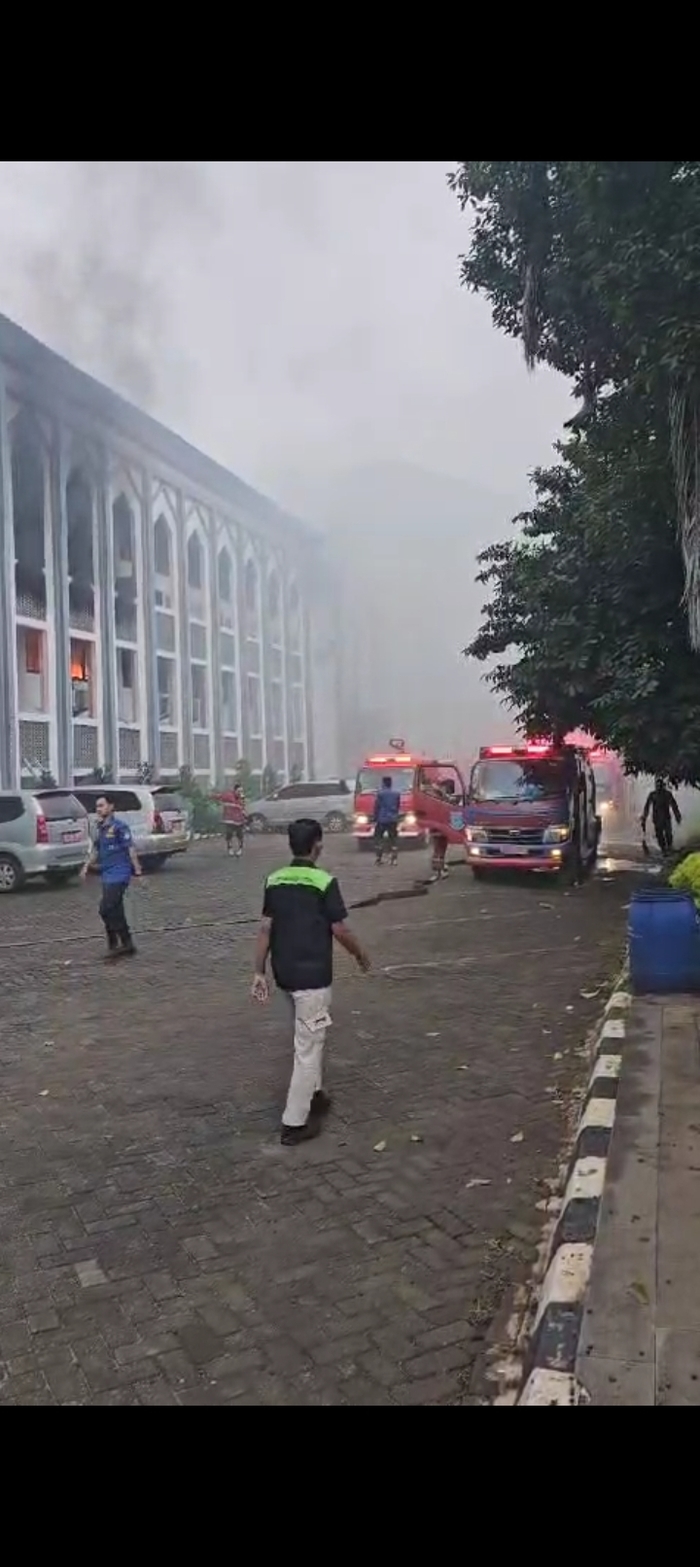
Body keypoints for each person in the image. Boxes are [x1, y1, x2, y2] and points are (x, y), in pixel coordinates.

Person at [251, 817, 371, 1145]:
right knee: (308, 1047)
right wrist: (359, 954)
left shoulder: (274, 880)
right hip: (313, 979)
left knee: (308, 1035)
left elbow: (265, 929)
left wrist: (259, 972)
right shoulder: (324, 881)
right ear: (317, 844)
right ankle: (294, 1123)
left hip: (286, 976)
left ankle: (315, 1095)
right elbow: (340, 929)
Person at [81, 794, 142, 958]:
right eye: (97, 807)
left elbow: (130, 849)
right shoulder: (100, 828)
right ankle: (123, 944)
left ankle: (117, 942)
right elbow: (96, 850)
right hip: (107, 875)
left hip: (120, 874)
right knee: (115, 909)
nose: (98, 809)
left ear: (111, 807)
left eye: (102, 805)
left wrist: (138, 870)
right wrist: (86, 866)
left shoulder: (120, 827)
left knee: (105, 908)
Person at [641, 777, 682, 855]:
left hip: (666, 818)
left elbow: (674, 806)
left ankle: (669, 847)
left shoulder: (667, 794)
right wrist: (644, 818)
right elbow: (647, 807)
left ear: (663, 786)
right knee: (659, 835)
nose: (659, 787)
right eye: (657, 786)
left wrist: (677, 816)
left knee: (668, 834)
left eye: (660, 786)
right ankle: (664, 849)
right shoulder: (653, 795)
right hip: (657, 819)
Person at [373, 775, 401, 866]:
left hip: (382, 819)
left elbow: (377, 807)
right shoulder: (396, 794)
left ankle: (379, 859)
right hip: (393, 819)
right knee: (393, 839)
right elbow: (397, 806)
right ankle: (394, 859)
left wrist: (375, 817)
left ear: (383, 783)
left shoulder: (380, 794)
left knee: (379, 838)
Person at [214, 784, 246, 856]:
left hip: (239, 820)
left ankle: (240, 849)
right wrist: (213, 797)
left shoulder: (242, 798)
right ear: (235, 790)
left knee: (240, 835)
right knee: (229, 834)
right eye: (239, 791)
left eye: (241, 791)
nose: (240, 792)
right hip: (229, 819)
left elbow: (243, 807)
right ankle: (230, 848)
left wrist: (244, 815)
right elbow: (220, 797)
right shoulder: (228, 795)